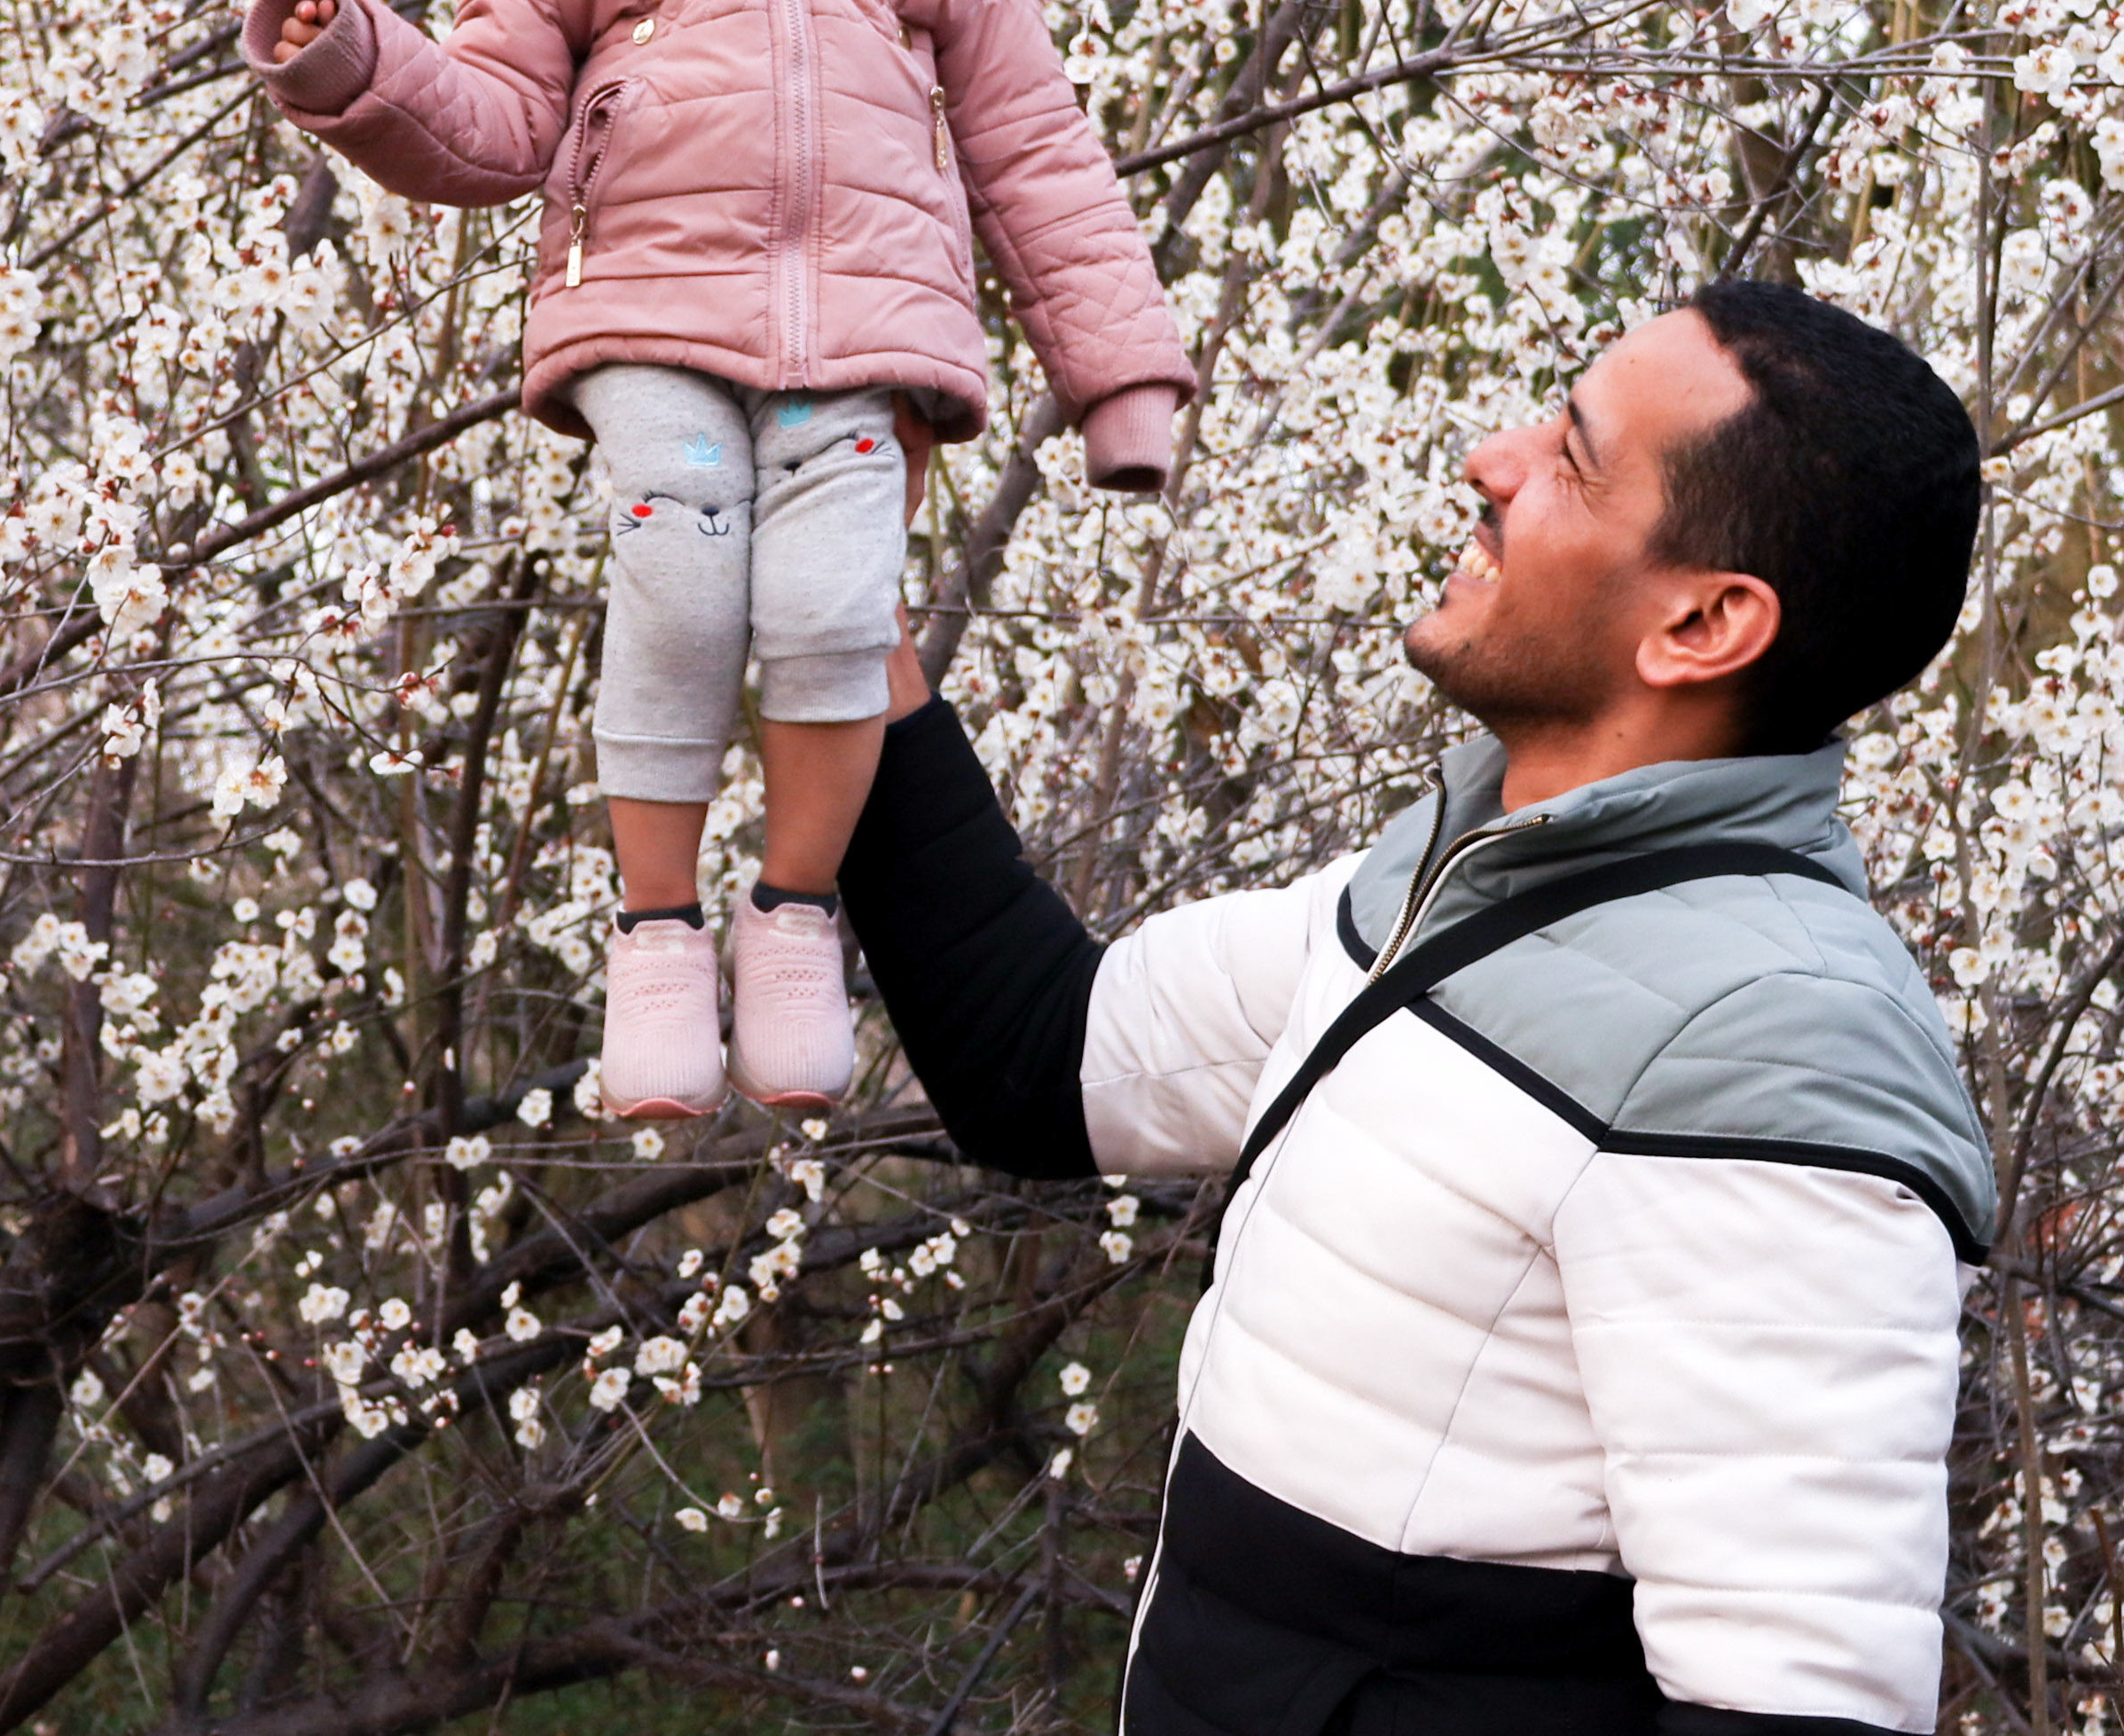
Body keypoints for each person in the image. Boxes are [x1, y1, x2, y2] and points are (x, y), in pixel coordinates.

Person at [843, 281, 1994, 1736]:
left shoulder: (1769, 1045)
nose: (1489, 458)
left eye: (1571, 455)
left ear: (1702, 621)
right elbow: (1042, 1054)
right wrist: (841, 628)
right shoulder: (1452, 883)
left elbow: (1800, 1705)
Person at [239, 0, 1190, 1123]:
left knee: (831, 612)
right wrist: (359, 65)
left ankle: (794, 914)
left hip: (860, 343)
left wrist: (1115, 373)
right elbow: (495, 124)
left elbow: (1037, 151)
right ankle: (655, 931)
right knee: (679, 580)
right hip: (656, 327)